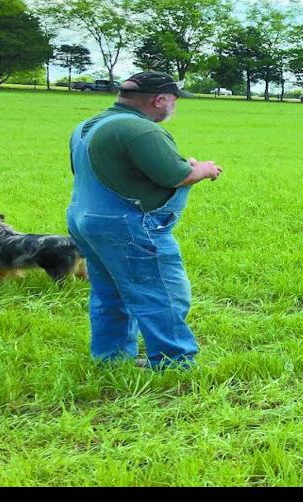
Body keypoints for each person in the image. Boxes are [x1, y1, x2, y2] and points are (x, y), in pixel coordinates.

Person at [66, 72, 222, 369]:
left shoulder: (89, 125)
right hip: (129, 226)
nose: (174, 107)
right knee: (162, 293)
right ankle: (174, 363)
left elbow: (123, 171)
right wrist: (204, 168)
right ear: (159, 99)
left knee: (109, 293)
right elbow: (177, 176)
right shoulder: (139, 129)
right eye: (174, 100)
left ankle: (111, 358)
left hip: (87, 220)